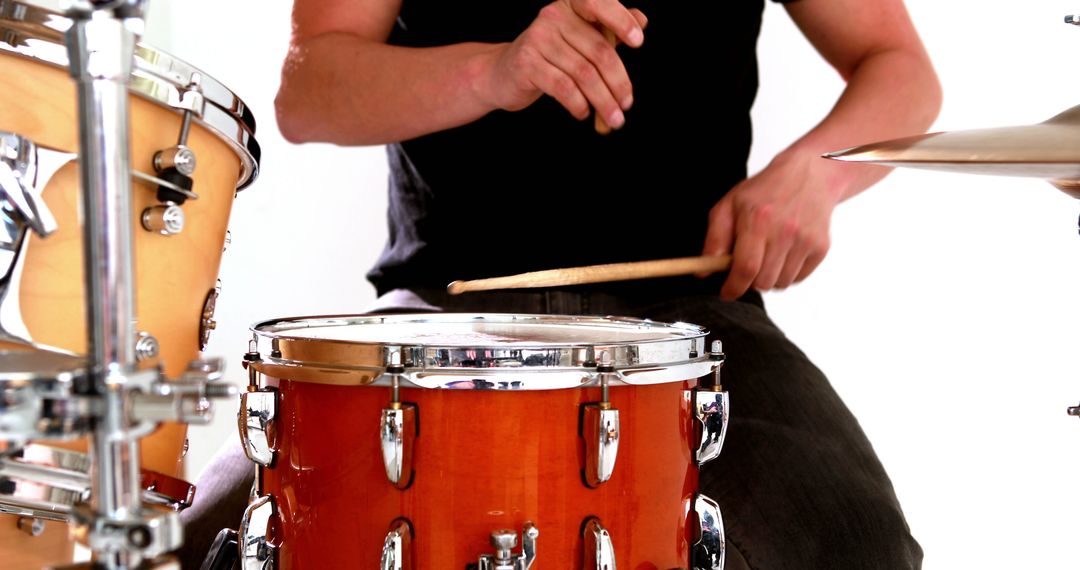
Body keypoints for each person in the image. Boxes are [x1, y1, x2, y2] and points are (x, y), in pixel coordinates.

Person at [179, 0, 941, 568]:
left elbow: (898, 65)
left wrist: (817, 175)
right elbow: (308, 90)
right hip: (443, 313)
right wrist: (497, 69)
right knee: (195, 544)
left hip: (694, 327)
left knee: (857, 541)